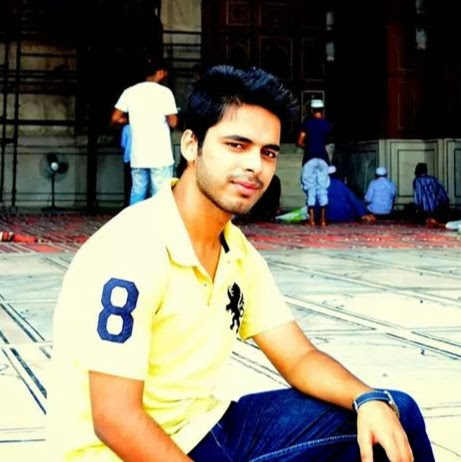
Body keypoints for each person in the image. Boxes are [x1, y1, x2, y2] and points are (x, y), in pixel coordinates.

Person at [47, 65, 434, 461]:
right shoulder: (132, 248)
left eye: (268, 152)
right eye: (237, 145)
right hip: (120, 451)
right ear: (191, 145)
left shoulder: (236, 251)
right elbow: (115, 419)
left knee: (393, 413)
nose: (256, 166)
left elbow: (298, 357)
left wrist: (366, 398)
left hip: (204, 426)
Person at [111, 59, 178, 205]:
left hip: (138, 154)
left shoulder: (130, 92)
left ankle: (135, 219)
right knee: (160, 196)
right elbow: (173, 121)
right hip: (160, 154)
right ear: (160, 73)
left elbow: (115, 118)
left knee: (137, 193)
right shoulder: (165, 93)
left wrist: (130, 120)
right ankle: (157, 220)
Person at [297, 98, 333, 227]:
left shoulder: (307, 124)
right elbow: (328, 141)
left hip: (309, 158)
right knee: (322, 187)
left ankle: (311, 219)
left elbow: (299, 141)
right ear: (322, 110)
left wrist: (308, 147)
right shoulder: (327, 125)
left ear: (312, 110)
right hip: (323, 158)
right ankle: (323, 220)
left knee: (310, 187)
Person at [413, 162, 449, 227]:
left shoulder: (417, 181)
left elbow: (418, 198)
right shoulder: (434, 179)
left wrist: (417, 209)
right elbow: (442, 195)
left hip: (424, 211)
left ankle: (427, 221)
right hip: (436, 209)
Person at [120, 123, 132, 206]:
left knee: (128, 184)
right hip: (141, 159)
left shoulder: (126, 128)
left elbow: (123, 144)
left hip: (128, 158)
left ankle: (127, 204)